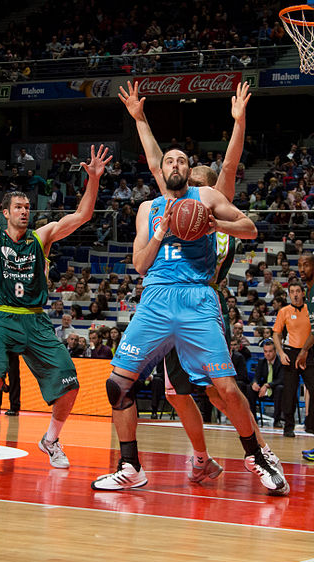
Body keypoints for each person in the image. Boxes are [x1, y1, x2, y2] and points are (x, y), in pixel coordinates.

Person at [111, 80, 285, 490]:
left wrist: (213, 222)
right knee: (136, 388)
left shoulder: (207, 198)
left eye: (182, 161)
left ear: (191, 173)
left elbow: (247, 220)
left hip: (198, 297)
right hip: (156, 297)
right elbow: (139, 262)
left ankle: (257, 454)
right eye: (168, 161)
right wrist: (140, 118)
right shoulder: (150, 208)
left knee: (222, 389)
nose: (173, 166)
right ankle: (137, 465)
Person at [0, 130, 111, 472]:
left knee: (70, 384)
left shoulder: (41, 237)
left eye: (27, 207)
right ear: (5, 212)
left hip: (36, 319)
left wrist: (92, 180)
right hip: (2, 317)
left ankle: (50, 439)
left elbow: (81, 217)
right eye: (18, 207)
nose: (24, 211)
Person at [273, 279, 314, 437]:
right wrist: (281, 353)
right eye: (292, 292)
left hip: (309, 352)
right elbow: (276, 334)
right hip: (290, 353)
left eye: (298, 291)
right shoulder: (284, 311)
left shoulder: (310, 309)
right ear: (289, 294)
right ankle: (288, 426)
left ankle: (310, 424)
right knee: (289, 391)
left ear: (303, 293)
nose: (295, 295)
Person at [247, 340, 284, 427]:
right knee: (249, 388)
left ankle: (277, 420)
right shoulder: (262, 362)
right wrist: (255, 383)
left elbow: (281, 379)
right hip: (263, 390)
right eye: (265, 351)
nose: (268, 354)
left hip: (275, 389)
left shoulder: (281, 362)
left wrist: (268, 385)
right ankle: (253, 419)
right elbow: (256, 376)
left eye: (270, 351)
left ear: (275, 351)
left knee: (280, 388)